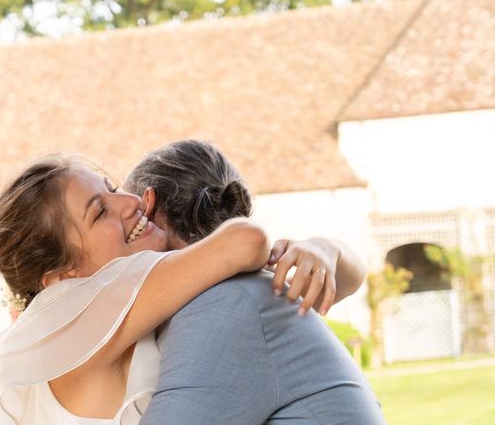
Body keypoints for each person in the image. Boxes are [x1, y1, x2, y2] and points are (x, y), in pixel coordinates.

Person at [0, 153, 351, 425]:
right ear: (61, 275)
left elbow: (316, 289)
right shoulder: (83, 307)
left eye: (112, 187)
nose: (130, 202)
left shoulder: (90, 322)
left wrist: (324, 250)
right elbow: (244, 242)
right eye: (100, 211)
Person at [125, 140, 385, 424]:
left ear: (146, 209)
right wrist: (328, 250)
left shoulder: (223, 303)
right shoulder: (237, 290)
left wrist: (327, 248)